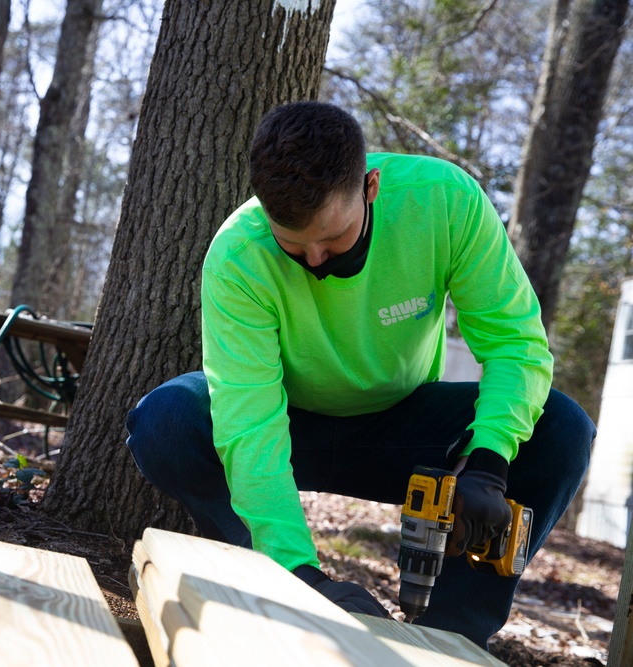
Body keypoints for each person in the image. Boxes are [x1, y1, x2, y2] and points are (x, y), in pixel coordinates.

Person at [125, 101, 595, 648]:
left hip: (402, 428)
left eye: (334, 237)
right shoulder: (238, 256)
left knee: (561, 428)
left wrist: (487, 458)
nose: (317, 260)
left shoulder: (443, 202)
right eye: (294, 245)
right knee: (166, 421)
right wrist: (301, 576)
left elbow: (516, 343)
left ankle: (451, 639)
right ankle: (269, 587)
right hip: (287, 421)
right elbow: (248, 422)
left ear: (370, 187)